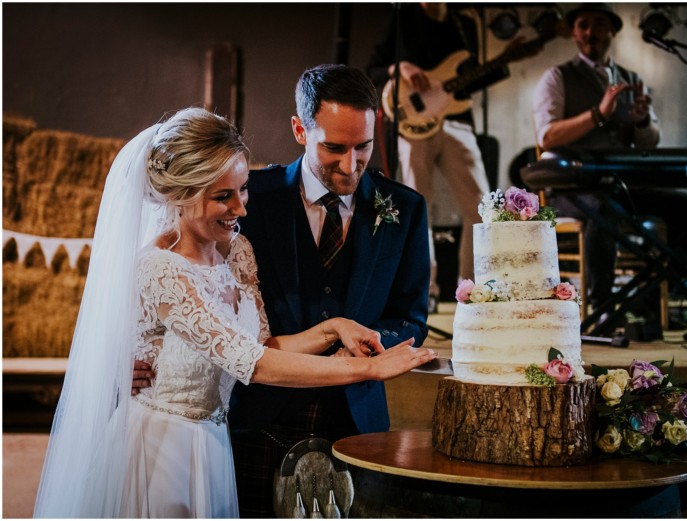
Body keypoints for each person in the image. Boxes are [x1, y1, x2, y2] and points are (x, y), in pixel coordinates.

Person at [33, 107, 437, 518]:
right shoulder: (161, 269)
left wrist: (333, 328)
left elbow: (262, 344)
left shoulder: (236, 250)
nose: (241, 208)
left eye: (243, 189)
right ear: (180, 195)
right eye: (223, 196)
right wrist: (369, 370)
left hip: (213, 444)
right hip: (162, 450)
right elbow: (253, 364)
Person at [226, 65, 431, 517]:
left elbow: (412, 317)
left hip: (357, 422)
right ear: (300, 130)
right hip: (261, 415)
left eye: (364, 147)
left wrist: (367, 350)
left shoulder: (406, 209)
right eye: (334, 148)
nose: (352, 164)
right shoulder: (250, 199)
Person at [365, 3, 497, 311]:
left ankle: (471, 290)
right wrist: (399, 69)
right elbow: (372, 67)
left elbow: (469, 74)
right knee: (415, 206)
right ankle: (424, 291)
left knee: (482, 206)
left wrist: (506, 59)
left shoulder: (465, 20)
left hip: (457, 120)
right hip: (413, 126)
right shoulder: (401, 16)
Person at [532, 3, 660, 316]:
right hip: (571, 190)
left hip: (621, 184)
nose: (591, 32)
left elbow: (652, 141)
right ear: (574, 33)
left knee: (681, 208)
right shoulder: (557, 77)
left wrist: (641, 121)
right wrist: (598, 115)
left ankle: (647, 301)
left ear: (612, 31)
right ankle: (603, 306)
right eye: (584, 25)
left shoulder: (631, 78)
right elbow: (546, 137)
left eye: (599, 24)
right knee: (605, 207)